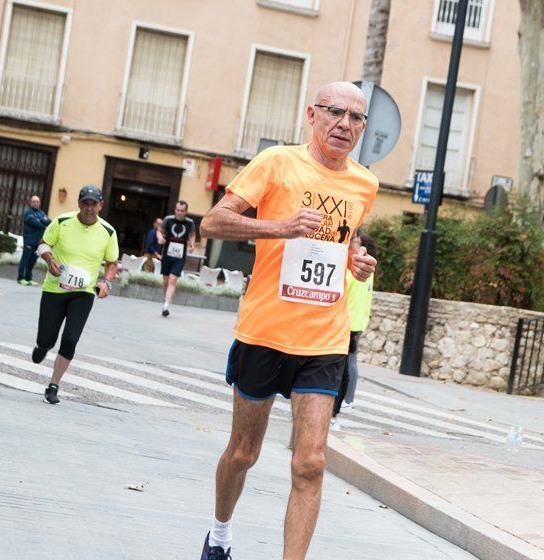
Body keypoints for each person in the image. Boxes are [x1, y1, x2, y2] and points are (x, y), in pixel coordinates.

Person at [198, 82, 378, 560]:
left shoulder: (365, 184)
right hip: (265, 332)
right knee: (244, 453)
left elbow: (346, 239)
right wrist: (278, 227)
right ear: (311, 115)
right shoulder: (277, 163)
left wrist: (356, 260)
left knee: (311, 464)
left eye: (356, 117)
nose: (344, 123)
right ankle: (219, 534)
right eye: (334, 112)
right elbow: (212, 224)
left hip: (325, 340)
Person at [31, 185, 119, 405]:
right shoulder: (62, 221)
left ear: (101, 205)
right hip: (54, 289)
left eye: (94, 203)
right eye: (85, 203)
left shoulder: (108, 232)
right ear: (79, 203)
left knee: (70, 339)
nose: (89, 208)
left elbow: (112, 263)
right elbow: (43, 245)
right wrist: (50, 260)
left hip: (84, 293)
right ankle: (43, 346)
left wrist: (106, 281)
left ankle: (53, 385)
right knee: (46, 337)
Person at [331, 234, 377, 430]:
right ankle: (346, 401)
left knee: (343, 366)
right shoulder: (367, 271)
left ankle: (340, 406)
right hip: (357, 321)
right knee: (349, 363)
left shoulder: (351, 271)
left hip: (346, 321)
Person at [159, 201, 194, 317]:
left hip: (180, 256)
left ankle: (166, 306)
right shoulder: (168, 220)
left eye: (182, 211)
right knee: (165, 280)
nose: (179, 213)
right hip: (167, 254)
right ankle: (166, 298)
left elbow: (192, 234)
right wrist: (160, 238)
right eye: (177, 210)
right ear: (175, 210)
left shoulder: (190, 223)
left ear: (186, 212)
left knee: (172, 280)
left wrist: (192, 244)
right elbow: (159, 231)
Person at [18, 195, 51, 286]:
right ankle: (20, 278)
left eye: (37, 202)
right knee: (25, 259)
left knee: (32, 261)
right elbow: (36, 224)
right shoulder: (28, 213)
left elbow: (48, 221)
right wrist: (42, 223)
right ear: (31, 203)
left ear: (39, 203)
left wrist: (45, 222)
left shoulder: (41, 213)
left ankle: (28, 278)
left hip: (38, 241)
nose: (36, 203)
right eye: (34, 201)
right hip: (29, 240)